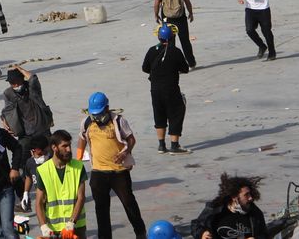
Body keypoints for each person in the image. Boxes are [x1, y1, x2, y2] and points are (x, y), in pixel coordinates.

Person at [76, 92, 146, 239]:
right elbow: (82, 139)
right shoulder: (87, 122)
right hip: (98, 172)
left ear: (107, 108)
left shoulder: (119, 121)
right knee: (101, 209)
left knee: (129, 203)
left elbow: (131, 139)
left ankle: (140, 233)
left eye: (99, 113)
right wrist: (78, 158)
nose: (96, 117)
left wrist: (126, 151)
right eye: (93, 114)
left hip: (119, 172)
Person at [142, 24, 190, 154]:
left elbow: (145, 68)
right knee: (176, 114)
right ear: (172, 36)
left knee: (159, 115)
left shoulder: (152, 50)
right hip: (171, 89)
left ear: (159, 37)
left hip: (155, 90)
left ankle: (161, 145)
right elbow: (185, 69)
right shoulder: (176, 51)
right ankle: (174, 145)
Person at [35, 130, 87, 239]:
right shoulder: (43, 170)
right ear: (54, 147)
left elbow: (81, 198)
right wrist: (44, 226)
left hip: (76, 227)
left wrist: (71, 223)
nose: (68, 149)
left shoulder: (78, 167)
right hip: (53, 229)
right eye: (64, 146)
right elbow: (39, 202)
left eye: (69, 146)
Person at [1, 65, 53, 168]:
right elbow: (6, 110)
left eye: (16, 81)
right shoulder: (8, 93)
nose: (15, 85)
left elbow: (33, 78)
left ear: (22, 78)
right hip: (24, 132)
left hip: (41, 128)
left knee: (48, 156)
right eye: (12, 83)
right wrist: (4, 120)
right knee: (21, 156)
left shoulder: (32, 88)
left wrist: (20, 69)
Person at [191, 174, 267, 239]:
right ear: (234, 197)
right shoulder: (215, 208)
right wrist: (202, 233)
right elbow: (195, 225)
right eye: (246, 195)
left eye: (250, 194)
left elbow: (265, 235)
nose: (250, 198)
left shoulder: (255, 213)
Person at [153, 0, 196, 69]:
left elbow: (156, 3)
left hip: (167, 19)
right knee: (185, 41)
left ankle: (173, 65)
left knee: (170, 43)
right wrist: (190, 13)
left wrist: (156, 15)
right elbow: (187, 2)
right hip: (180, 18)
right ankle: (191, 63)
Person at [20, 135, 49, 213]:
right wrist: (26, 193)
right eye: (38, 154)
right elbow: (29, 177)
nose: (40, 156)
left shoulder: (53, 161)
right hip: (41, 200)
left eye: (44, 153)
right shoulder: (30, 162)